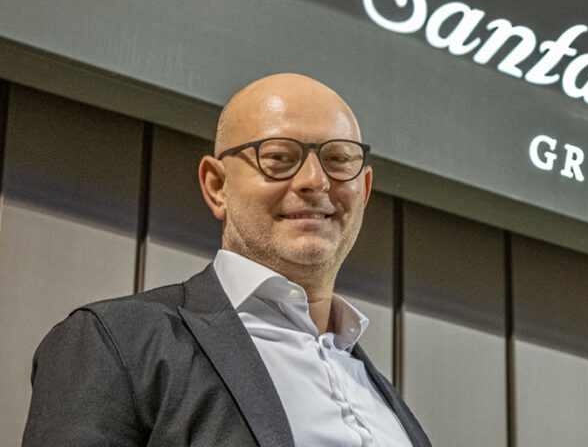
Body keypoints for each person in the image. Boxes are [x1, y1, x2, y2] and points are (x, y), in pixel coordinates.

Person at [23, 73, 431, 446]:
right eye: (279, 157)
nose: (315, 181)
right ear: (217, 185)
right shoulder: (115, 343)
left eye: (339, 160)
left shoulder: (380, 394)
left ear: (365, 189)